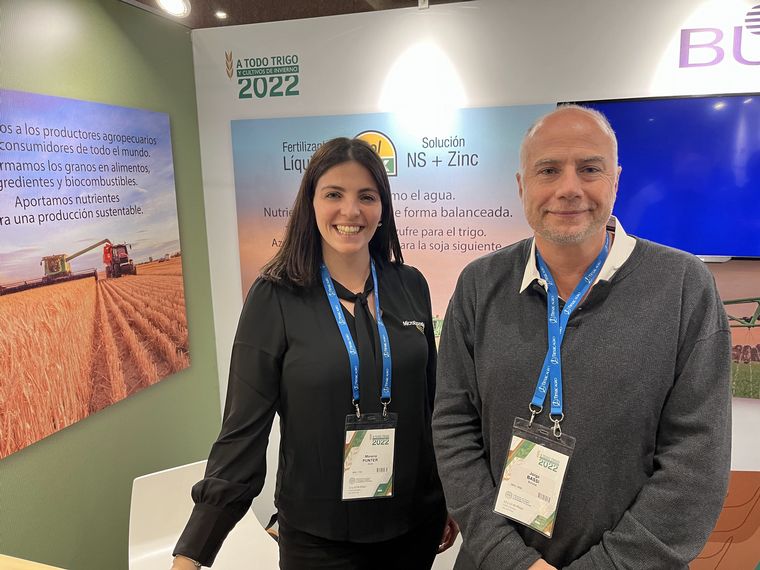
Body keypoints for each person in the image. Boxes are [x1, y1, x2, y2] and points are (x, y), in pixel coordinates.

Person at [432, 105, 731, 569]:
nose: (568, 188)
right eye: (548, 170)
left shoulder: (684, 286)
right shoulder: (479, 283)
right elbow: (453, 427)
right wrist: (511, 560)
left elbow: (697, 461)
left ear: (616, 180)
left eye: (589, 169)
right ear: (522, 185)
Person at [172, 137, 457, 569]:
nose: (350, 211)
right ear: (311, 204)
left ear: (383, 208)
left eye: (367, 196)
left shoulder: (410, 285)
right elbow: (243, 431)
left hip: (412, 526)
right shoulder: (275, 297)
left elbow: (432, 405)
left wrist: (449, 495)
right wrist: (192, 552)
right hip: (319, 538)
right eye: (333, 195)